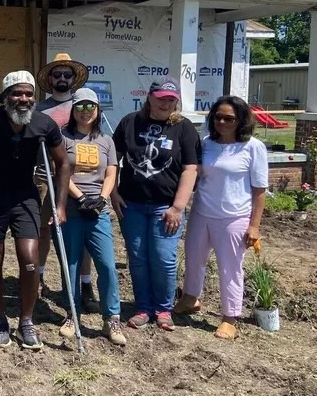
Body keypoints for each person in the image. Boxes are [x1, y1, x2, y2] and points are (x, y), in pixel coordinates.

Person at [0, 70, 70, 349]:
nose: (23, 99)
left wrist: (60, 204)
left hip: (25, 198)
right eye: (17, 93)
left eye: (29, 94)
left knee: (30, 258)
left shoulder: (44, 124)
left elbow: (64, 163)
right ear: (6, 96)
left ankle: (26, 321)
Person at [111, 76, 201, 332]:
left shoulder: (184, 129)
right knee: (138, 257)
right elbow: (112, 160)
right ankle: (143, 307)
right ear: (149, 97)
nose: (166, 103)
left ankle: (163, 308)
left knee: (163, 258)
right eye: (161, 98)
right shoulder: (130, 122)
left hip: (166, 207)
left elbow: (190, 169)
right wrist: (113, 192)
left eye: (171, 99)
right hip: (132, 204)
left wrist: (177, 207)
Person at [175, 96, 267, 340]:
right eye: (218, 117)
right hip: (202, 211)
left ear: (241, 120)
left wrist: (254, 226)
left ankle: (230, 318)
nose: (222, 122)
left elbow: (259, 191)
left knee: (230, 268)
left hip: (233, 217)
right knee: (194, 258)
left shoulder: (253, 147)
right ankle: (190, 299)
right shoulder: (206, 143)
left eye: (229, 118)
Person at [57, 88, 126, 346]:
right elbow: (60, 172)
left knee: (107, 265)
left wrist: (102, 198)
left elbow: (111, 173)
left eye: (90, 107)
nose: (85, 112)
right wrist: (80, 197)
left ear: (97, 110)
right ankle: (71, 315)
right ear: (73, 110)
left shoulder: (106, 141)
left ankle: (112, 318)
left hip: (98, 212)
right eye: (80, 107)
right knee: (71, 265)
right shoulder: (63, 139)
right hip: (73, 209)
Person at [34, 53, 99, 317]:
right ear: (49, 79)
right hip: (42, 178)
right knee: (42, 231)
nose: (62, 78)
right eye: (57, 74)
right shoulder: (39, 109)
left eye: (67, 75)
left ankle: (85, 286)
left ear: (74, 79)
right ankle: (37, 279)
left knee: (78, 237)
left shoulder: (85, 105)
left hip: (78, 181)